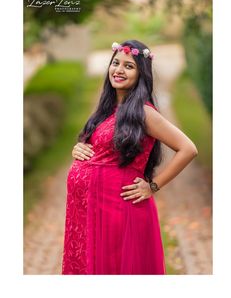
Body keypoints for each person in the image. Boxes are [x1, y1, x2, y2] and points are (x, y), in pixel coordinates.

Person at [62, 40, 198, 275]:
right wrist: (78, 150)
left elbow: (188, 148)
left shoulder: (144, 113)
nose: (119, 70)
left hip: (118, 213)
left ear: (141, 74)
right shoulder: (107, 110)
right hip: (89, 212)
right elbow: (100, 149)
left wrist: (153, 186)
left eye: (129, 66)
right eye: (115, 63)